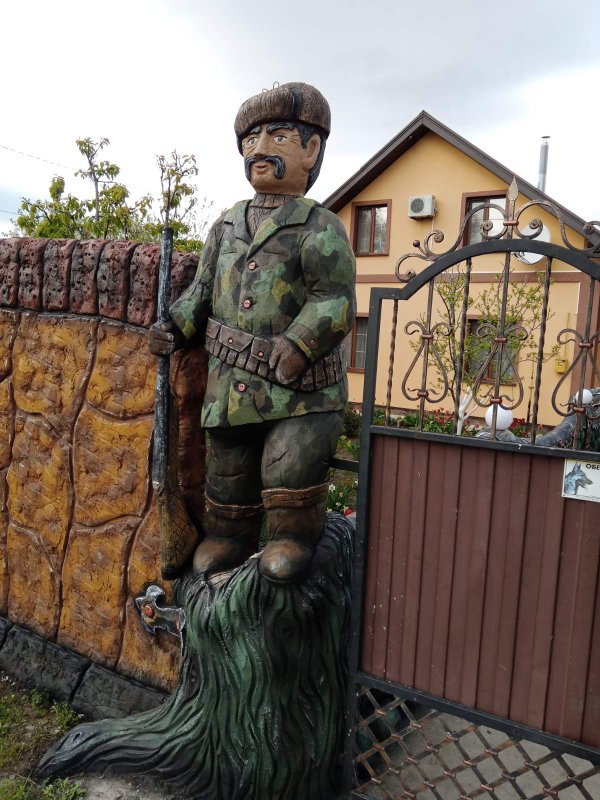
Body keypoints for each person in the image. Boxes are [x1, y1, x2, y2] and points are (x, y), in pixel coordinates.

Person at [149, 82, 355, 583]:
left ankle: (290, 537)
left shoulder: (319, 226)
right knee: (228, 473)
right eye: (250, 140)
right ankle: (228, 536)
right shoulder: (225, 226)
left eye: (278, 137)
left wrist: (298, 343)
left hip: (299, 394)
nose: (259, 149)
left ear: (311, 150)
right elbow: (203, 289)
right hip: (230, 390)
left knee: (290, 465)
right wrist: (176, 324)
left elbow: (335, 301)